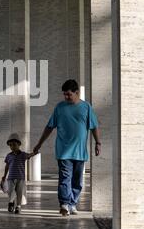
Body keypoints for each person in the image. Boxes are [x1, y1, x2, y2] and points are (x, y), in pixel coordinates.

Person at [33, 79, 101, 216]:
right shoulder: (59, 107)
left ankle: (72, 204)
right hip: (63, 151)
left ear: (77, 92)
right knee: (65, 178)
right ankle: (64, 203)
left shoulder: (86, 107)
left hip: (80, 152)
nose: (66, 97)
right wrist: (39, 143)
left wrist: (98, 143)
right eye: (64, 94)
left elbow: (94, 126)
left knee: (77, 180)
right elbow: (49, 127)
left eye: (69, 94)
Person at [1, 133, 36, 214]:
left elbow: (29, 155)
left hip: (20, 178)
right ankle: (11, 202)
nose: (12, 147)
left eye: (14, 145)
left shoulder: (23, 154)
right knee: (10, 191)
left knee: (19, 192)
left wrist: (35, 152)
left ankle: (18, 206)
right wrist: (4, 176)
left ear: (19, 144)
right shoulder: (9, 156)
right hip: (11, 178)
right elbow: (7, 166)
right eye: (10, 145)